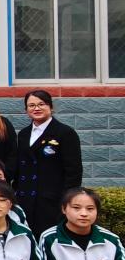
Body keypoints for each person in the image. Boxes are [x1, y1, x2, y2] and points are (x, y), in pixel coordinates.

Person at [15, 90, 83, 238]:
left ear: (51, 107)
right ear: (26, 110)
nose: (36, 108)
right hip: (26, 200)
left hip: (52, 202)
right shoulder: (23, 134)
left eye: (41, 104)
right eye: (31, 105)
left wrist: (67, 201)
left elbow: (74, 172)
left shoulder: (65, 133)